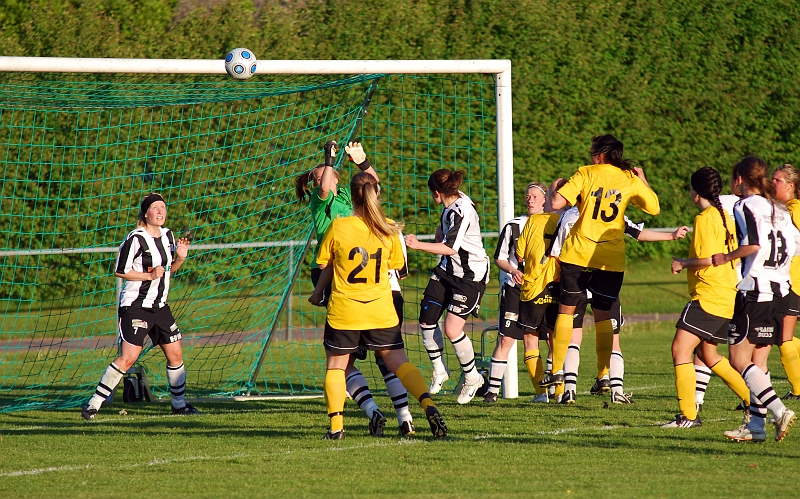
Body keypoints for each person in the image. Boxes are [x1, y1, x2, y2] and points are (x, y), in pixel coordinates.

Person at [314, 171, 447, 439]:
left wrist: (318, 293)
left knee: (336, 366)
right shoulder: (388, 228)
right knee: (397, 361)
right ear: (376, 194)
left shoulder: (339, 226)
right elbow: (397, 266)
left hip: (345, 310)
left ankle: (337, 428)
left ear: (350, 195)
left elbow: (323, 263)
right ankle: (428, 405)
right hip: (381, 308)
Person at [297, 141, 415, 437]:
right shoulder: (321, 200)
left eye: (329, 172)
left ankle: (402, 415)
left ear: (338, 176)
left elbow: (373, 186)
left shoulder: (350, 195)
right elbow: (324, 188)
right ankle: (373, 410)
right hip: (331, 272)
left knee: (383, 354)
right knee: (343, 358)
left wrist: (362, 162)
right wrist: (328, 158)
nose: (325, 175)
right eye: (319, 174)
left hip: (363, 282)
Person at [543, 135, 660, 390]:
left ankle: (558, 369)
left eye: (592, 151)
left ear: (600, 155)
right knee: (603, 317)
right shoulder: (628, 179)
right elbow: (653, 208)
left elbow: (555, 203)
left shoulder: (586, 173)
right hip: (610, 257)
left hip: (578, 253)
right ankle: (603, 374)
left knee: (567, 310)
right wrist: (641, 179)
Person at [550, 195, 688, 405]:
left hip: (576, 279)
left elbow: (556, 253)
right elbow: (638, 233)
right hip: (604, 276)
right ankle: (615, 388)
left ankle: (569, 389)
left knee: (573, 336)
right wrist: (671, 236)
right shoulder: (611, 214)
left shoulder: (569, 216)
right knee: (612, 335)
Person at [81, 193, 199, 419]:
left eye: (163, 207)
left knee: (175, 354)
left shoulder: (168, 236)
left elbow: (167, 273)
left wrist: (181, 258)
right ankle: (93, 405)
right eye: (155, 207)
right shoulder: (135, 238)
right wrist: (149, 275)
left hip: (160, 306)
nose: (160, 211)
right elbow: (120, 270)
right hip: (135, 306)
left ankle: (179, 405)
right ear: (146, 213)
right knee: (129, 357)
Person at [712, 156, 797, 442]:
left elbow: (754, 244)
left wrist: (726, 257)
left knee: (738, 359)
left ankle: (779, 410)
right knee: (758, 363)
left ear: (739, 179)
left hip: (755, 292)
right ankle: (756, 428)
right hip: (780, 292)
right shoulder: (781, 208)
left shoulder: (745, 205)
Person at [661, 167, 750, 428]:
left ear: (695, 191)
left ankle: (688, 416)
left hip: (709, 294)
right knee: (709, 355)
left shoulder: (705, 218)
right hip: (727, 294)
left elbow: (707, 260)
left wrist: (682, 263)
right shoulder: (726, 216)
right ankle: (752, 400)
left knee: (680, 349)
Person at [405, 169, 491, 404]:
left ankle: (472, 377)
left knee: (452, 329)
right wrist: (440, 235)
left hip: (470, 275)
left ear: (436, 192)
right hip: (446, 270)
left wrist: (419, 245)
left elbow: (451, 247)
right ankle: (440, 369)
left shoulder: (461, 210)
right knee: (426, 319)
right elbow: (447, 239)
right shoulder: (451, 201)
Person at [482, 182, 548, 404]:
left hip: (538, 291)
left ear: (544, 200)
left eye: (535, 197)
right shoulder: (513, 226)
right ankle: (491, 392)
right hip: (513, 290)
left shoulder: (551, 223)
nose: (530, 200)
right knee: (505, 339)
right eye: (527, 196)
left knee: (535, 340)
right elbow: (500, 258)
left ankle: (543, 393)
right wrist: (512, 270)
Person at [771, 163, 800, 400]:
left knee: (783, 336)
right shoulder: (781, 208)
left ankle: (798, 390)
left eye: (778, 180)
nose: (773, 183)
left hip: (794, 282)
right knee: (779, 332)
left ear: (791, 186)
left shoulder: (794, 209)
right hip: (786, 281)